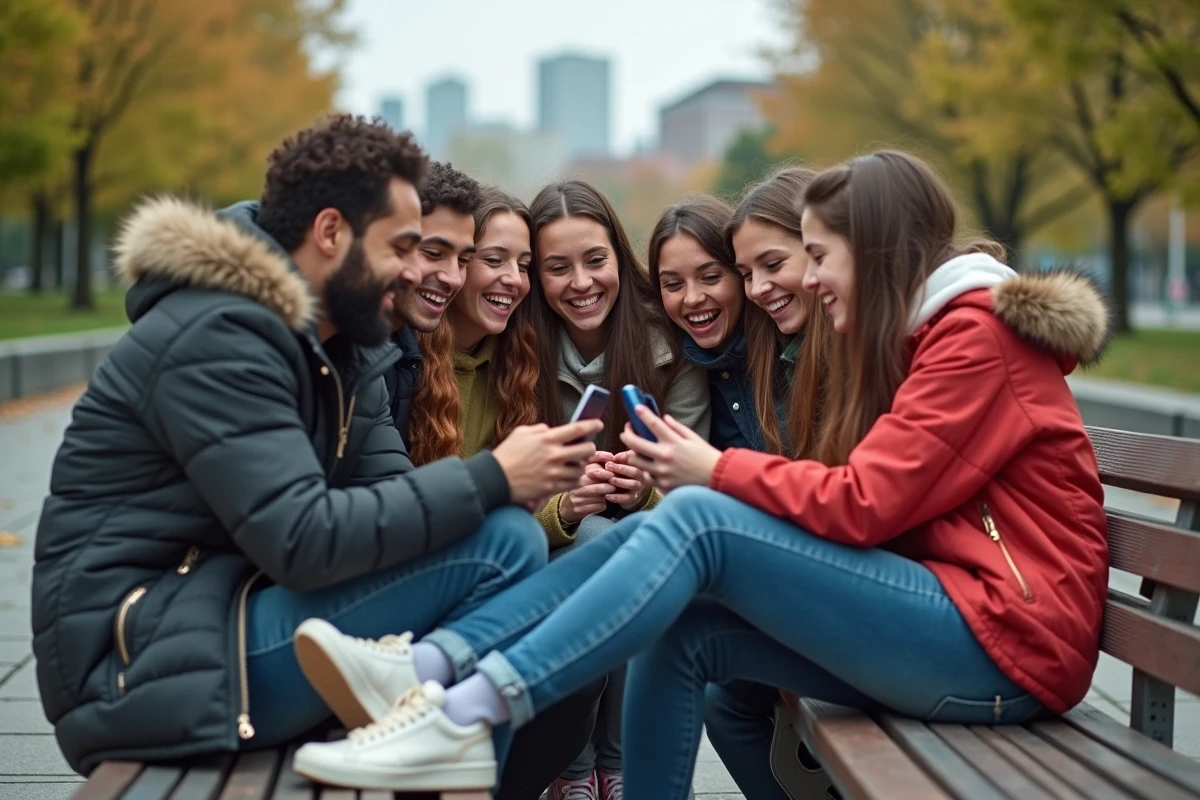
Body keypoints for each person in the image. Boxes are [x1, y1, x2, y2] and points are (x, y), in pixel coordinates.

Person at [288, 149, 1111, 799]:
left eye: (818, 256)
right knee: (682, 629)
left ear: (877, 250)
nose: (810, 277)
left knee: (697, 518)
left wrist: (716, 470)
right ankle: (432, 669)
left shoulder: (975, 341)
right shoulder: (924, 341)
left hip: (1009, 644)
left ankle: (465, 705)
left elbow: (865, 505)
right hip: (956, 613)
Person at [29, 114, 602, 776]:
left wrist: (509, 486)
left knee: (518, 549)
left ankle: (441, 747)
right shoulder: (217, 336)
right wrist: (494, 476)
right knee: (506, 547)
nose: (415, 273)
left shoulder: (345, 349)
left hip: (234, 618)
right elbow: (302, 541)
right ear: (331, 232)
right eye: (402, 247)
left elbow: (393, 501)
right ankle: (443, 747)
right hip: (146, 665)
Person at [383, 175, 606, 800]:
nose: (512, 279)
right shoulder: (401, 362)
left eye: (524, 264)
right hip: (422, 575)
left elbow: (510, 512)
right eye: (492, 260)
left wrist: (564, 505)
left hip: (493, 565)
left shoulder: (519, 361)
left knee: (595, 575)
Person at [525, 180, 711, 800]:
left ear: (619, 259)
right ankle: (575, 766)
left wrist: (644, 491)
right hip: (552, 542)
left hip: (652, 533)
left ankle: (613, 762)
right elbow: (502, 486)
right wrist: (564, 505)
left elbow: (697, 475)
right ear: (537, 276)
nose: (580, 282)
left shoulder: (666, 341)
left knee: (632, 537)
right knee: (602, 536)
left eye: (595, 260)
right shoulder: (519, 349)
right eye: (557, 268)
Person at [649, 179, 833, 799]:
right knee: (711, 686)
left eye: (712, 276)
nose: (693, 299)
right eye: (672, 284)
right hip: (781, 578)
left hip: (824, 579)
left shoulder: (796, 354)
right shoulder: (705, 368)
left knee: (684, 637)